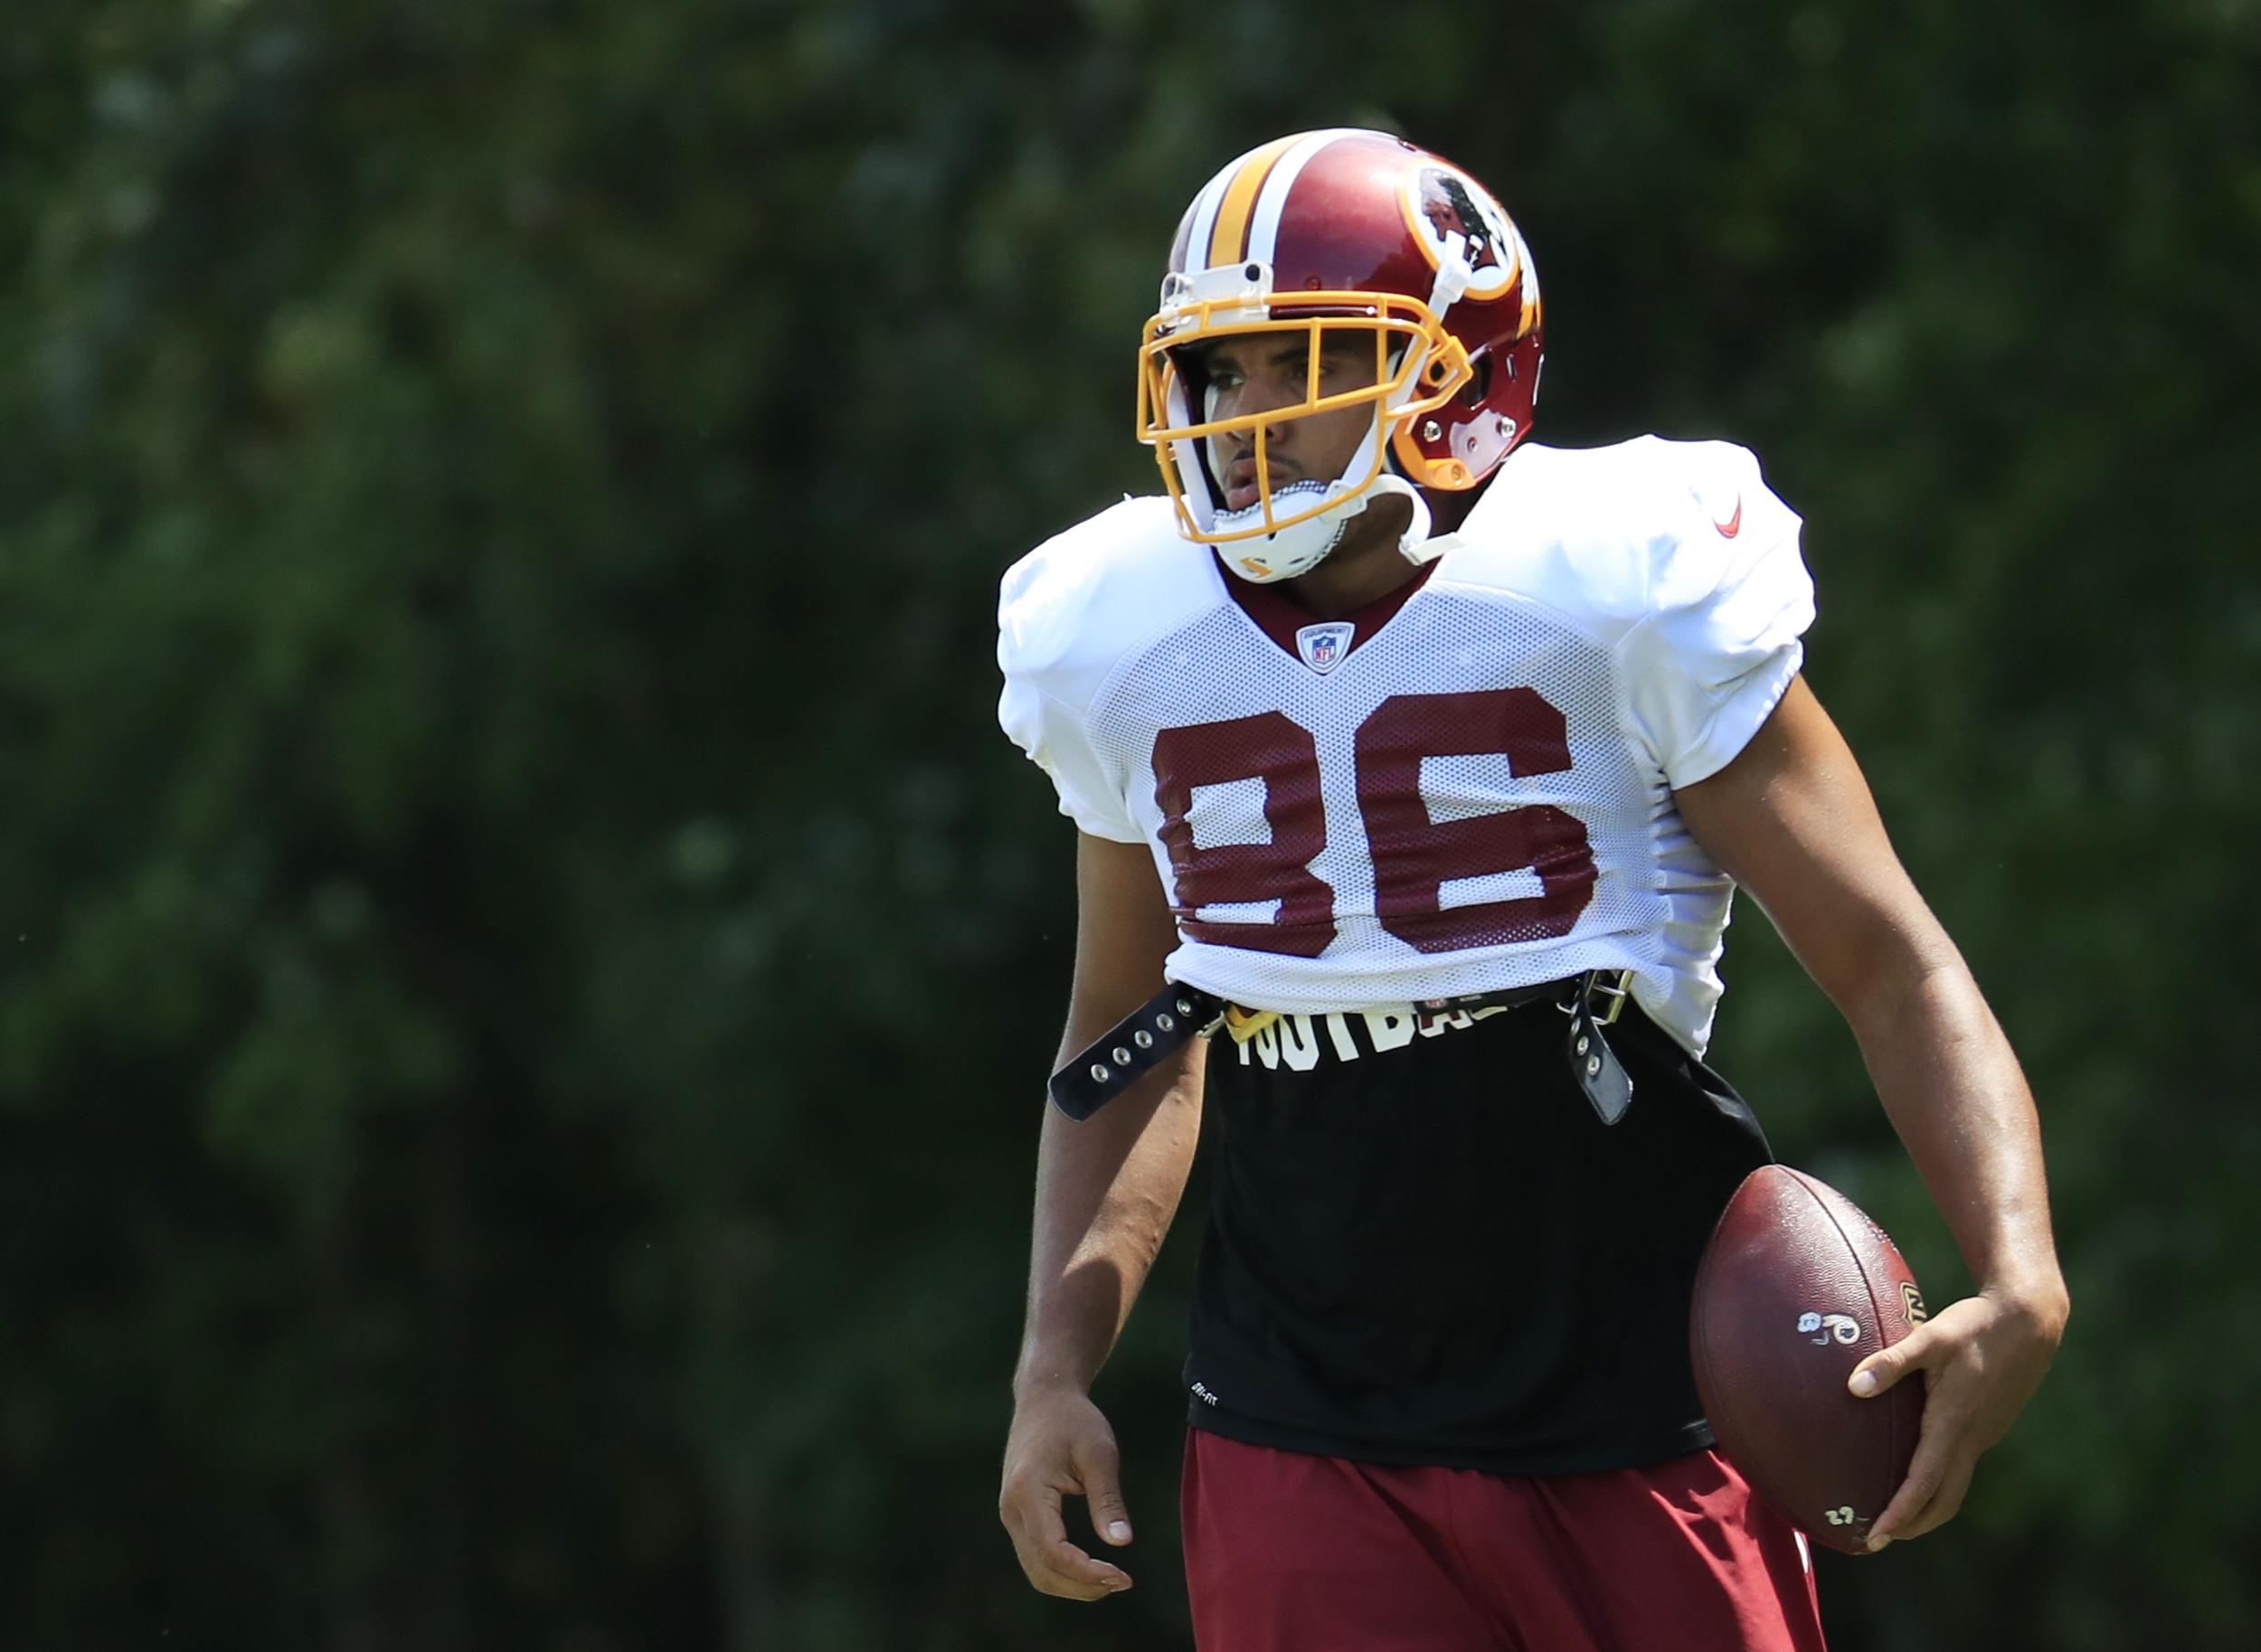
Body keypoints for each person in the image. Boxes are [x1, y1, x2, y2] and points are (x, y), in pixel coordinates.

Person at [992, 127, 2067, 1650]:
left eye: (1304, 362)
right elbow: (1133, 1027)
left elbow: (1890, 960)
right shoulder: (1116, 630)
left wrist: (2019, 1268)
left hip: (1639, 1389)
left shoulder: (1614, 580)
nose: (1246, 420)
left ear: (1454, 376)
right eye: (1223, 372)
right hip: (1302, 1414)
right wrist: (1052, 1368)